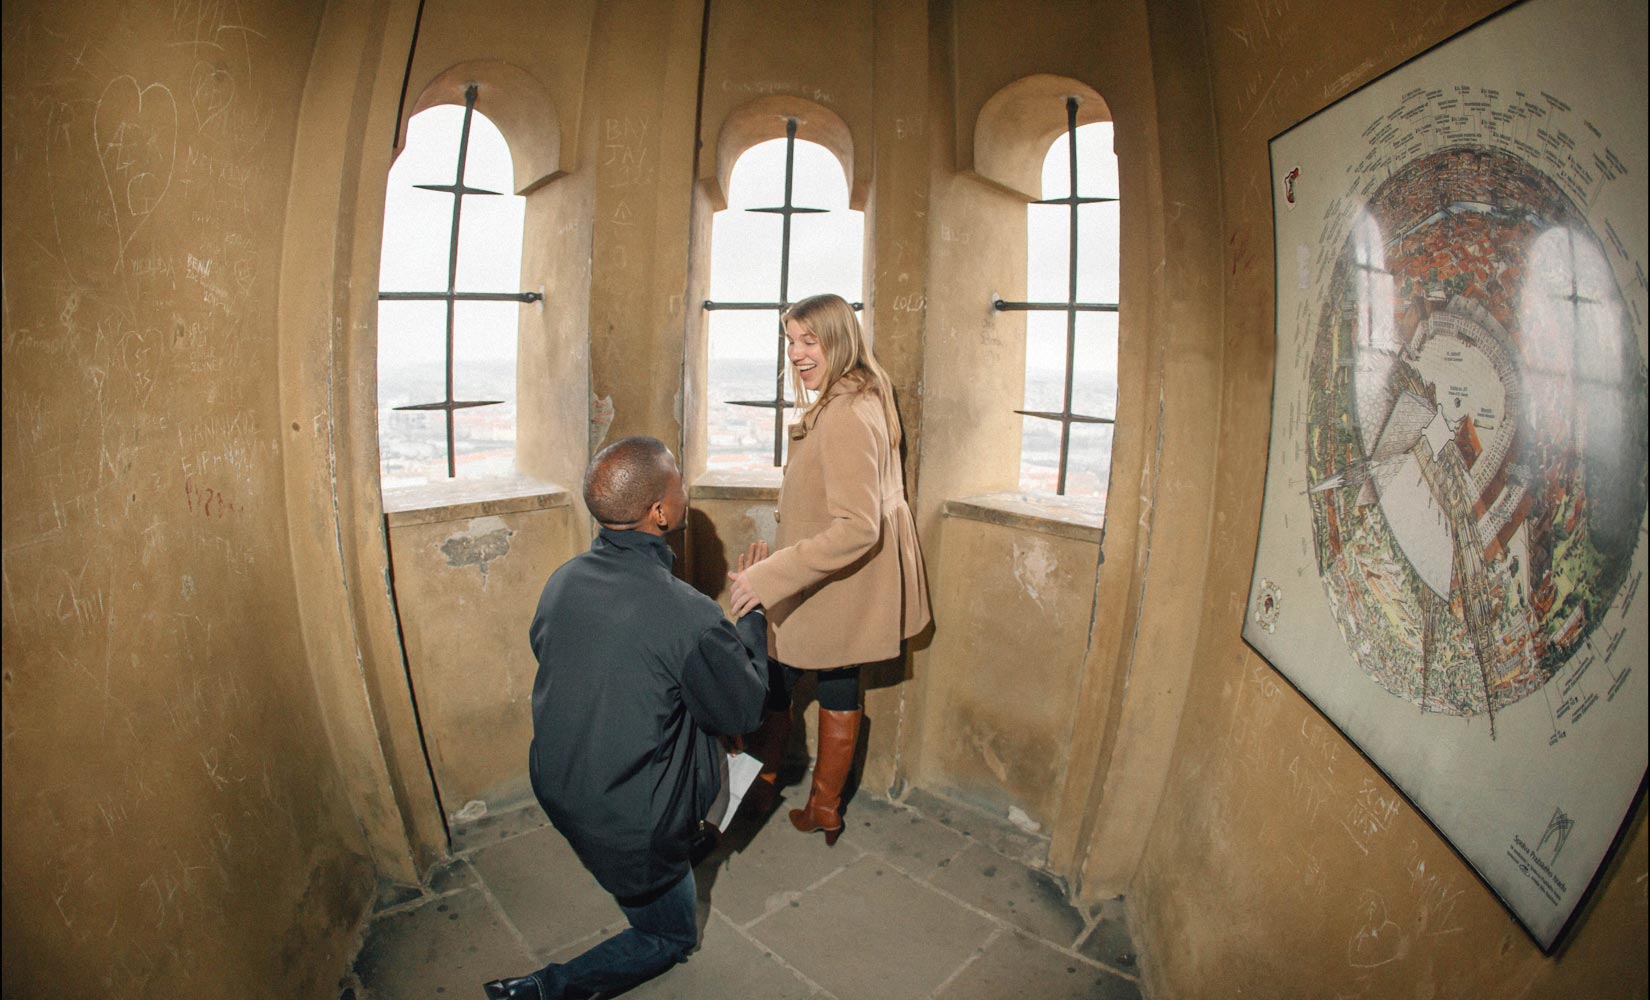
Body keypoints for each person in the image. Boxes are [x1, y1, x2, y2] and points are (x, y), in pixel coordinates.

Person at [484, 436, 768, 1000]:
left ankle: (675, 850)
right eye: (679, 485)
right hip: (631, 826)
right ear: (660, 512)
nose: (686, 494)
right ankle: (544, 990)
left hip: (561, 787)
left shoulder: (563, 581)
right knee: (670, 934)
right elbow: (746, 707)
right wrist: (753, 615)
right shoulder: (687, 613)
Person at [727, 292, 931, 845]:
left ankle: (747, 794)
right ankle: (825, 808)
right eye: (790, 341)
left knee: (769, 683)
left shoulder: (844, 412)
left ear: (838, 340)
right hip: (851, 587)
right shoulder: (869, 390)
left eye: (808, 341)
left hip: (828, 583)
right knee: (840, 680)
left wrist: (767, 577)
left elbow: (857, 526)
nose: (795, 353)